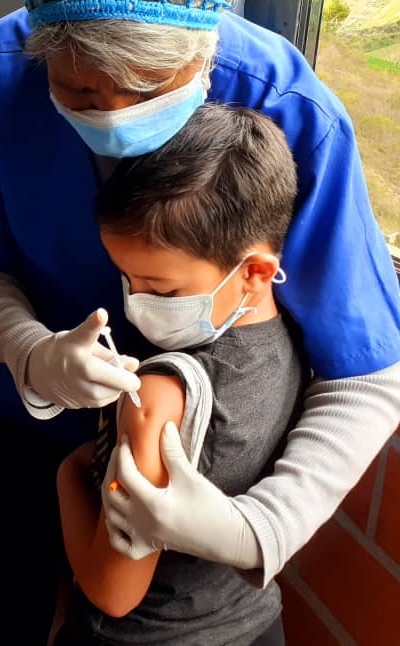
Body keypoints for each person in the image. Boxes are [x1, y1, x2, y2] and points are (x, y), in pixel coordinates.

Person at [0, 0, 400, 643]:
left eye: (146, 90)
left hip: (190, 456)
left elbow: (370, 372)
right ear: (38, 46)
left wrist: (259, 528)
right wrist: (32, 354)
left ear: (205, 49)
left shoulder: (284, 108)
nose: (112, 119)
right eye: (79, 92)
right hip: (24, 413)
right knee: (11, 585)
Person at [56, 103, 303, 646]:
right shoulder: (297, 344)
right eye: (126, 279)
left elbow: (112, 590)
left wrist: (69, 475)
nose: (137, 305)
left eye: (163, 291)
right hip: (256, 624)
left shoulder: (159, 396)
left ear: (256, 271)